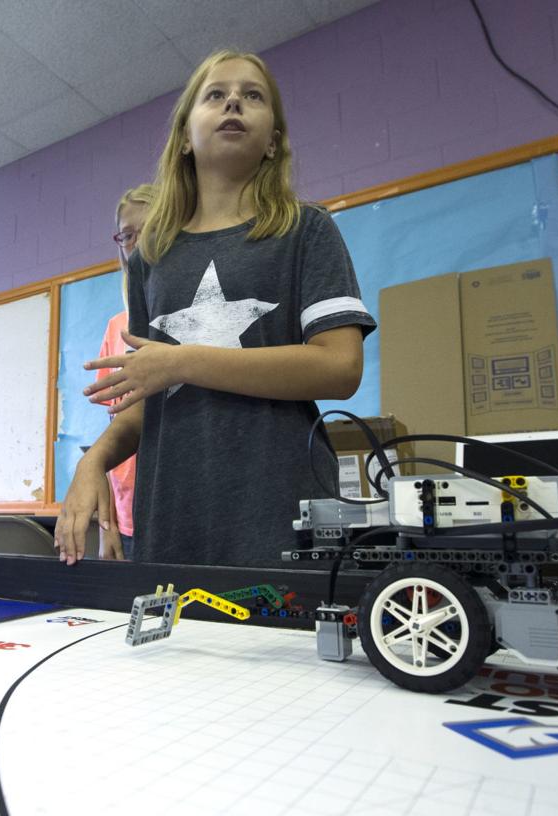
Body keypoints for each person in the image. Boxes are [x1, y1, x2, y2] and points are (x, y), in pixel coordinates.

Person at [56, 50, 375, 567]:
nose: (234, 101)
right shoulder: (150, 258)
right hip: (171, 518)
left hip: (280, 510)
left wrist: (182, 360)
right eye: (215, 94)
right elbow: (141, 406)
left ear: (273, 139)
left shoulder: (307, 229)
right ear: (185, 136)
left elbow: (340, 367)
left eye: (253, 95)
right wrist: (95, 460)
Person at [95, 183, 156, 559]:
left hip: (175, 505)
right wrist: (108, 525)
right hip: (128, 510)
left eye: (149, 229)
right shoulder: (117, 326)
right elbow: (114, 426)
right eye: (127, 235)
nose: (136, 243)